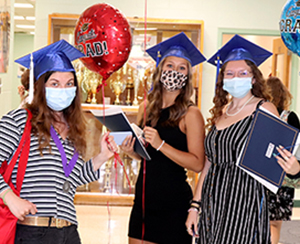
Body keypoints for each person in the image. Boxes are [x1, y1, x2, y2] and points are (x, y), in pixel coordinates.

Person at [0, 40, 117, 244]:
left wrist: (102, 156)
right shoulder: (20, 121)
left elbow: (71, 180)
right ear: (40, 87)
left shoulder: (73, 130)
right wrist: (10, 198)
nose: (63, 89)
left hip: (68, 232)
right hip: (32, 231)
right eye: (54, 83)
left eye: (69, 83)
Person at [186, 34, 278, 244]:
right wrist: (195, 206)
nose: (236, 78)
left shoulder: (263, 109)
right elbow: (209, 164)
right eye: (230, 73)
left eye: (243, 73)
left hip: (244, 201)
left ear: (253, 77)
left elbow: (275, 161)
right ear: (223, 78)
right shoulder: (222, 111)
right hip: (212, 201)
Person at [120, 32, 206, 244]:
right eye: (169, 66)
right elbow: (147, 156)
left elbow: (197, 163)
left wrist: (161, 144)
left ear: (188, 75)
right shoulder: (146, 108)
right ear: (160, 70)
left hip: (173, 202)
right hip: (143, 198)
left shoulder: (191, 114)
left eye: (181, 68)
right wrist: (132, 151)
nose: (174, 72)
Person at [266, 76, 300, 244]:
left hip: (261, 174)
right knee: (274, 223)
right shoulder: (290, 117)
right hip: (283, 178)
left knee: (258, 220)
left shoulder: (259, 115)